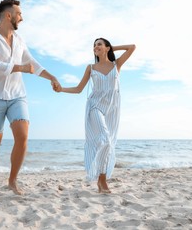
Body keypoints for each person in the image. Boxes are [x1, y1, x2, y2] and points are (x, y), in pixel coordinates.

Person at [0, 0, 61, 197]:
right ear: (9, 15)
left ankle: (12, 181)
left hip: (17, 96)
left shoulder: (19, 40)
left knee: (22, 136)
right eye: (19, 14)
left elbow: (32, 63)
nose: (21, 18)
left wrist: (52, 77)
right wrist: (18, 68)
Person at [55, 38, 135, 193]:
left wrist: (111, 48)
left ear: (106, 48)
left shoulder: (116, 65)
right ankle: (102, 180)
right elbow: (79, 89)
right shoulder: (91, 68)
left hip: (112, 109)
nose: (96, 47)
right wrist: (61, 89)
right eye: (94, 45)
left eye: (99, 44)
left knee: (109, 143)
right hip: (95, 106)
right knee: (104, 138)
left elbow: (132, 47)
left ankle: (101, 180)